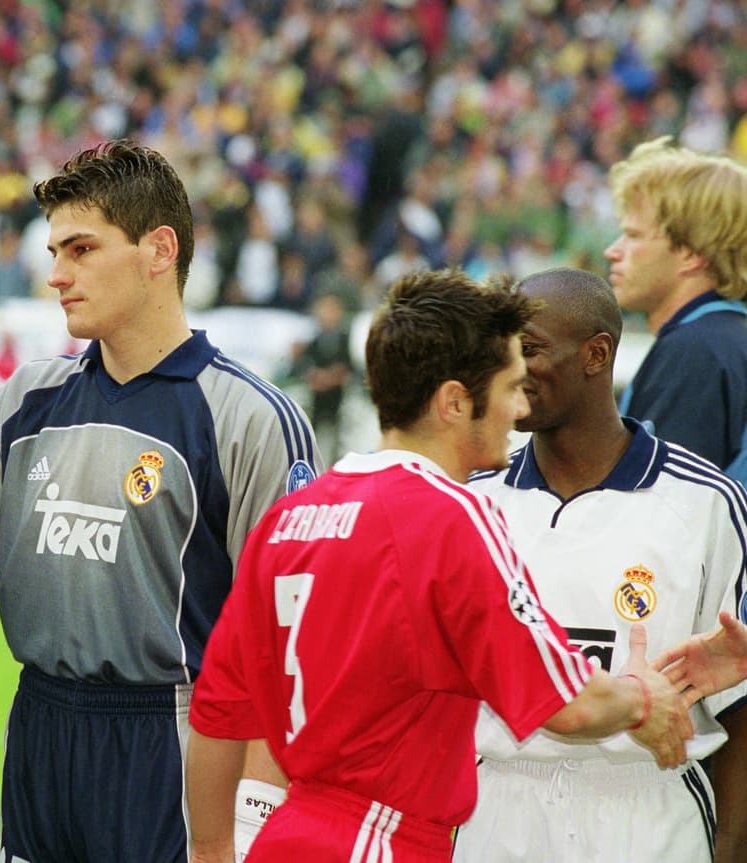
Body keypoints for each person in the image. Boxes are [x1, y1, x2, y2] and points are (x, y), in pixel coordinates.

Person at [184, 269, 694, 863]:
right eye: (509, 386)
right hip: (380, 840)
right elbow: (567, 704)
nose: (519, 406)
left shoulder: (288, 519)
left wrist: (211, 851)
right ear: (455, 402)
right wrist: (643, 699)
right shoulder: (451, 516)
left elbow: (218, 716)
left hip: (288, 833)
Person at [0, 140, 319, 863]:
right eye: (55, 252)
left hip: (174, 741)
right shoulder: (27, 399)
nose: (56, 274)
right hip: (40, 735)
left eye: (81, 249)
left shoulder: (249, 417)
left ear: (159, 250)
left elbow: (290, 640)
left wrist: (255, 811)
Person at [455, 267, 747, 862]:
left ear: (596, 354)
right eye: (502, 350)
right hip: (501, 805)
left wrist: (731, 847)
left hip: (648, 804)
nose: (510, 368)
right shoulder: (472, 501)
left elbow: (738, 704)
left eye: (530, 347)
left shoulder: (706, 502)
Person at [605, 135, 747, 482]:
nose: (613, 251)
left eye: (634, 236)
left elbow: (661, 506)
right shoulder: (725, 339)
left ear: (690, 252)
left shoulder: (697, 351)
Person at [290, 292, 352, 466]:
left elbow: (347, 368)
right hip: (317, 400)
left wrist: (330, 378)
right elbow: (303, 367)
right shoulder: (313, 342)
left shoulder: (345, 340)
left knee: (338, 438)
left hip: (339, 400)